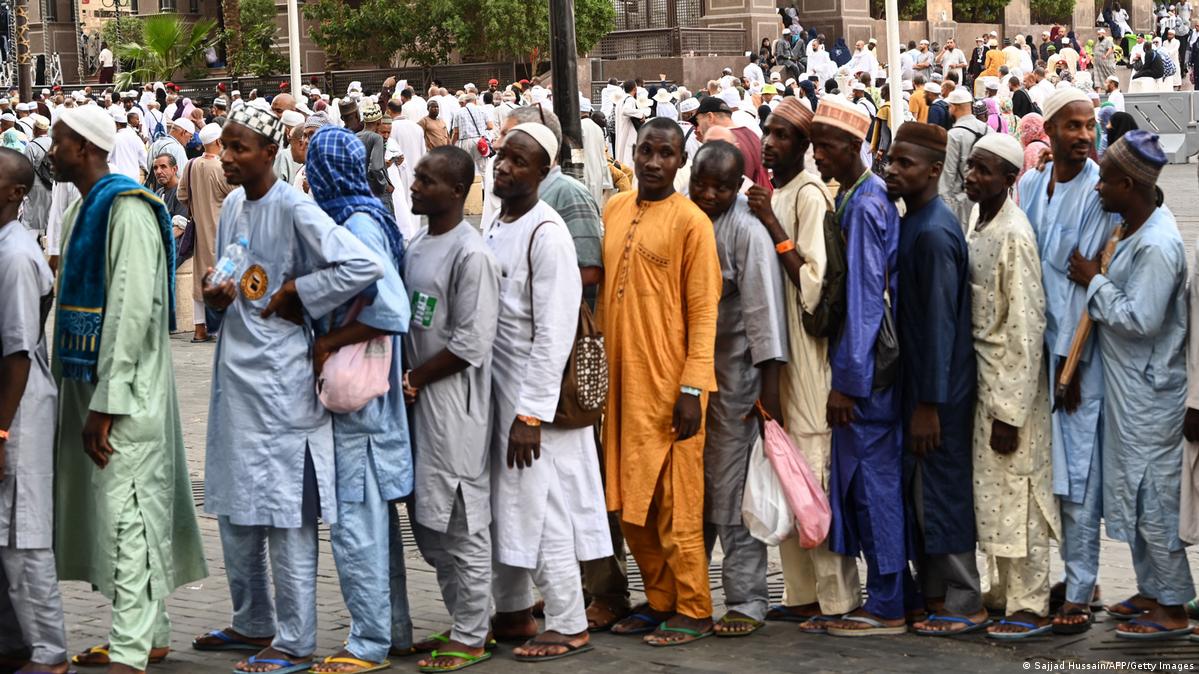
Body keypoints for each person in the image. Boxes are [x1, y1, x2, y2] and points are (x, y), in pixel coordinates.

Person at [195, 106, 384, 674]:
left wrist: (300, 288)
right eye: (224, 146)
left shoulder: (296, 206)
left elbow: (362, 266)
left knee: (286, 513)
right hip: (237, 378)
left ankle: (296, 639)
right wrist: (216, 291)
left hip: (283, 385)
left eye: (239, 147)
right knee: (235, 509)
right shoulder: (232, 204)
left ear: (268, 151)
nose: (227, 157)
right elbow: (234, 265)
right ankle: (251, 619)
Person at [49, 105, 207, 674]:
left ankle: (130, 648)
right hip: (89, 391)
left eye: (60, 140)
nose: (52, 148)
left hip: (126, 397)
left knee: (127, 517)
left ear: (86, 148)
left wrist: (107, 402)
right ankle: (150, 631)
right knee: (120, 515)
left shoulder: (130, 211)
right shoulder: (83, 212)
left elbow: (134, 312)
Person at [483, 122, 611, 661]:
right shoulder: (496, 222)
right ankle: (512, 611)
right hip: (498, 394)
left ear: (542, 172)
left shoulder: (548, 231)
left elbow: (556, 331)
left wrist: (531, 414)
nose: (504, 167)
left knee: (543, 508)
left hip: (537, 407)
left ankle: (567, 619)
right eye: (502, 157)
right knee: (505, 507)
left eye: (518, 161)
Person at [1070, 131, 1196, 638]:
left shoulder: (1159, 244)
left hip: (1151, 392)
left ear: (1128, 184)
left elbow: (1140, 319)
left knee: (1154, 498)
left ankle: (1172, 606)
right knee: (1136, 492)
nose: (1097, 188)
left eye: (1105, 180)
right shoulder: (1132, 228)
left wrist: (1093, 281)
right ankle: (1151, 589)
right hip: (1130, 390)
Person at [602, 118, 721, 646]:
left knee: (676, 503)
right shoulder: (613, 208)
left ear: (680, 161)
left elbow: (704, 312)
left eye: (665, 154)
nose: (653, 162)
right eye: (646, 151)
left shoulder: (692, 222)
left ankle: (694, 607)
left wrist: (694, 388)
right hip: (620, 386)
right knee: (629, 501)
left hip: (672, 389)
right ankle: (660, 600)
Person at [749, 96, 864, 631]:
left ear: (801, 147)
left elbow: (816, 287)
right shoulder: (778, 193)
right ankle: (800, 594)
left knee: (813, 474)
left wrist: (773, 225)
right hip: (780, 358)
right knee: (786, 468)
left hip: (810, 358)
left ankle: (837, 598)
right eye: (767, 135)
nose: (770, 145)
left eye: (780, 136)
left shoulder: (809, 197)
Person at [304, 126, 413, 674]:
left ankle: (368, 643)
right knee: (371, 522)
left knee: (356, 523)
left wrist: (329, 340)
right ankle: (390, 632)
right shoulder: (366, 214)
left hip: (359, 397)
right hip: (372, 390)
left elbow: (392, 309)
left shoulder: (355, 225)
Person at [1018, 88, 1118, 635]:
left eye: (1089, 127)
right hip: (1033, 355)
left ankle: (1079, 589)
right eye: (1073, 127)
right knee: (1042, 474)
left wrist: (1071, 365)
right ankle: (1060, 578)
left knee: (1078, 476)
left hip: (1077, 363)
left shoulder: (1098, 195)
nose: (1083, 136)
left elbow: (1086, 284)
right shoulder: (1032, 185)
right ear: (1050, 132)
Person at [881, 123, 983, 636]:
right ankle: (936, 594)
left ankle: (965, 600)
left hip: (940, 390)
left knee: (941, 492)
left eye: (905, 164)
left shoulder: (936, 232)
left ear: (934, 170)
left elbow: (942, 326)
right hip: (923, 385)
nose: (893, 170)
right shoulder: (914, 221)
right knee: (922, 494)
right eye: (891, 161)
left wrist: (929, 405)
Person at [809, 97, 906, 637]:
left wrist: (848, 382)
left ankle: (890, 601)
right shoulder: (855, 196)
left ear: (852, 147)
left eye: (826, 146)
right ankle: (890, 593)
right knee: (862, 484)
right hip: (862, 370)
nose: (817, 155)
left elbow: (867, 299)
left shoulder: (866, 205)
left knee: (874, 485)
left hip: (867, 377)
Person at [403, 146, 500, 673]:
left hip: (454, 406)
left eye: (427, 180)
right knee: (430, 524)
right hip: (418, 404)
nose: (415, 187)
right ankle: (468, 619)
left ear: (457, 192)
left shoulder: (472, 253)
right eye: (417, 177)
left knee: (462, 521)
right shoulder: (418, 244)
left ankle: (472, 633)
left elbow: (471, 343)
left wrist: (416, 377)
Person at [961, 133, 1059, 639]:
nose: (972, 177)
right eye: (971, 167)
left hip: (1009, 389)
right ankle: (1000, 592)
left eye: (983, 170)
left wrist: (1010, 411)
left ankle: (1029, 601)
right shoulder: (981, 221)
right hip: (983, 382)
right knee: (994, 496)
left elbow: (1025, 326)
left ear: (1008, 178)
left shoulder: (1015, 236)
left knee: (1021, 497)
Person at [687, 140, 787, 638]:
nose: (707, 194)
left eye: (719, 187)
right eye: (700, 183)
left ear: (737, 186)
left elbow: (764, 315)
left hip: (736, 384)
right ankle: (690, 591)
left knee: (731, 492)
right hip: (687, 384)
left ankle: (747, 599)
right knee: (691, 489)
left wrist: (768, 394)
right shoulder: (684, 218)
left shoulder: (745, 231)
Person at [0, 147, 69, 674]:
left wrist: (2, 432)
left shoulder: (18, 256)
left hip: (18, 410)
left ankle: (49, 651)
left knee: (24, 537)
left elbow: (19, 351)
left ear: (16, 193)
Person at [177, 122, 231, 344]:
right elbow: (237, 195)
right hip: (222, 232)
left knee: (201, 279)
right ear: (219, 142)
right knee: (223, 278)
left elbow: (182, 196)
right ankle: (222, 329)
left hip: (199, 232)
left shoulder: (190, 166)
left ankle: (200, 329)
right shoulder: (221, 168)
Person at [694, 97, 771, 191]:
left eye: (698, 120)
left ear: (710, 117)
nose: (698, 128)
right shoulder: (751, 134)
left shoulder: (722, 143)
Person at [940, 88, 989, 229]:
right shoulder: (987, 130)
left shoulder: (954, 135)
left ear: (954, 107)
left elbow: (947, 176)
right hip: (985, 199)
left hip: (961, 204)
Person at [21, 114, 52, 239]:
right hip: (52, 184)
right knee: (49, 212)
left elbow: (26, 168)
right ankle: (47, 239)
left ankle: (32, 241)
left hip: (36, 185)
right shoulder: (54, 143)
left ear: (35, 130)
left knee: (32, 214)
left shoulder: (31, 146)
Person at [614, 80, 647, 167]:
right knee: (628, 158)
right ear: (635, 89)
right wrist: (641, 114)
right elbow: (626, 110)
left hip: (622, 133)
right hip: (628, 134)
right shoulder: (630, 100)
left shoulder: (620, 101)